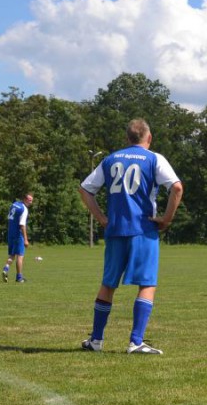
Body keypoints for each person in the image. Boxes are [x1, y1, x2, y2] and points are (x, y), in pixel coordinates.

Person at [78, 118, 183, 355]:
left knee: (108, 284)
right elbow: (177, 188)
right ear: (149, 137)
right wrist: (166, 220)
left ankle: (96, 340)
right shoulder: (154, 158)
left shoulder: (110, 158)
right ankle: (136, 341)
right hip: (143, 229)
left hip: (115, 230)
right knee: (147, 283)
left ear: (127, 139)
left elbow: (85, 189)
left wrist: (102, 218)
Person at [2, 193, 33, 283]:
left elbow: (10, 218)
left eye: (32, 200)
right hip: (18, 234)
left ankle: (5, 269)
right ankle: (19, 278)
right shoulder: (24, 209)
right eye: (29, 200)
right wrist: (26, 239)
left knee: (12, 255)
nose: (31, 202)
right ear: (24, 199)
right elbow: (22, 225)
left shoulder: (14, 204)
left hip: (10, 233)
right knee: (20, 256)